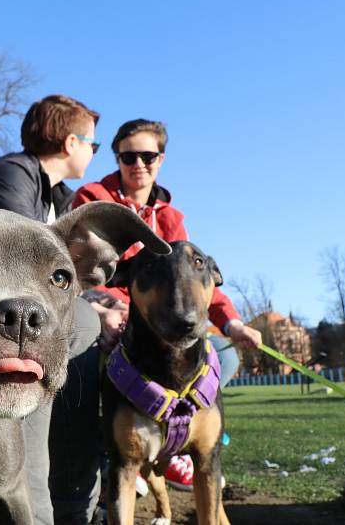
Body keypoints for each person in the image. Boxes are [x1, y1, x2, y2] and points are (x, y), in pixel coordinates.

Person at [73, 118, 262, 490]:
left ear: (160, 159)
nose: (138, 164)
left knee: (223, 354)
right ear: (117, 159)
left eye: (148, 156)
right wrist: (115, 306)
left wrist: (232, 324)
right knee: (107, 358)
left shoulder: (172, 218)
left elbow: (193, 284)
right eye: (129, 157)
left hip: (162, 319)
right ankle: (120, 450)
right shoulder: (94, 200)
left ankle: (187, 439)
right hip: (111, 311)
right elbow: (88, 269)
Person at [0, 95, 103, 525]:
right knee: (70, 331)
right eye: (92, 145)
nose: (92, 154)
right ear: (70, 142)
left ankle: (74, 502)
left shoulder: (58, 197)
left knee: (89, 339)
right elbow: (20, 275)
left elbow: (63, 278)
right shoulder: (9, 177)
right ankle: (28, 509)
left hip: (26, 321)